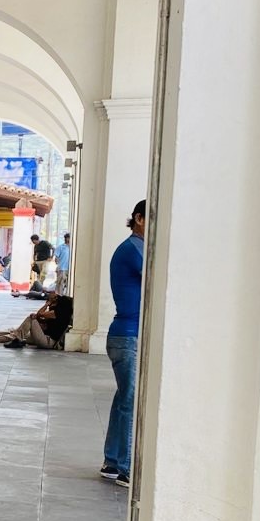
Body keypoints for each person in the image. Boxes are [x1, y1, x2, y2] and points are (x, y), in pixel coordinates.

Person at [102, 201, 146, 487]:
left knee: (124, 399)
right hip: (128, 335)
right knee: (130, 401)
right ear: (139, 219)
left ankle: (113, 461)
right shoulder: (134, 249)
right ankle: (126, 467)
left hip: (125, 335)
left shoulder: (133, 248)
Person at [0, 296, 74, 349]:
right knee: (14, 331)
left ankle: (17, 338)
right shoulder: (59, 315)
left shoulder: (59, 313)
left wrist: (47, 304)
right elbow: (42, 320)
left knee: (30, 318)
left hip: (47, 342)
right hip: (45, 338)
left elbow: (39, 314)